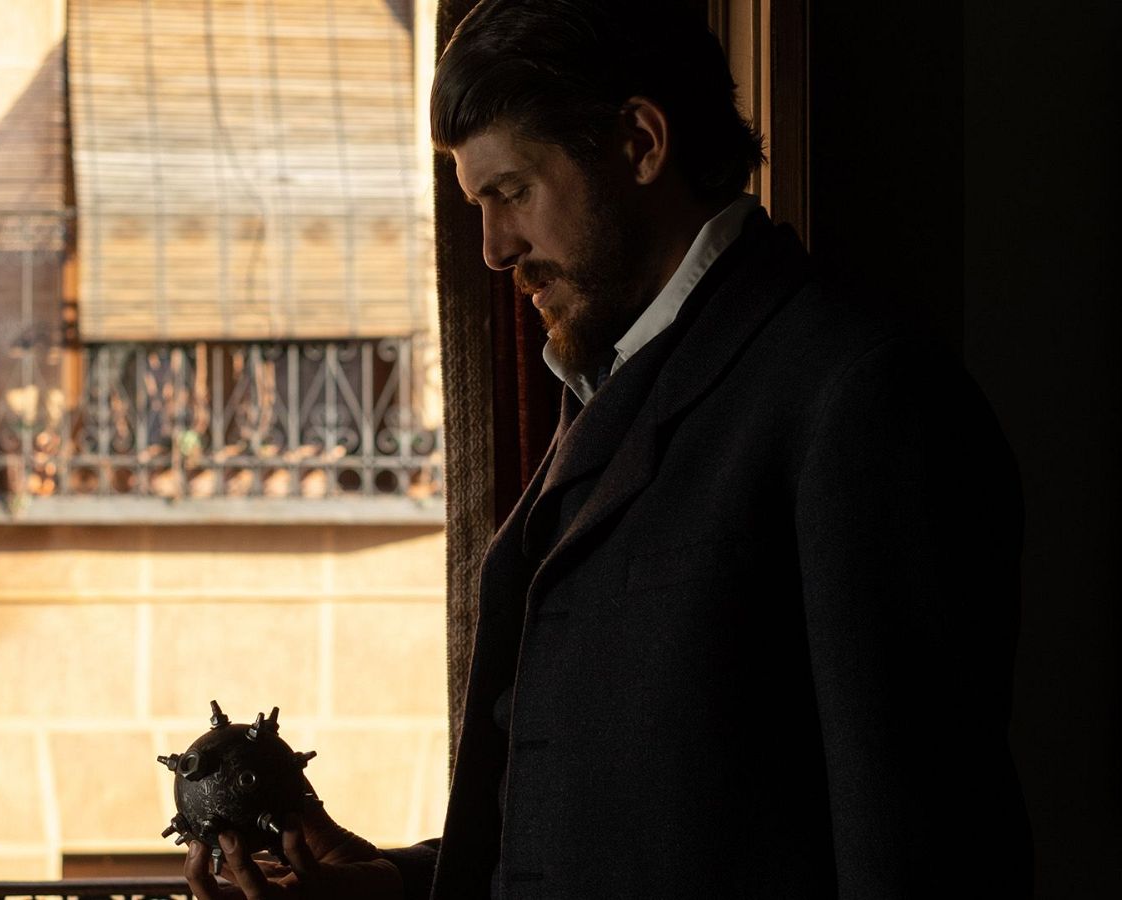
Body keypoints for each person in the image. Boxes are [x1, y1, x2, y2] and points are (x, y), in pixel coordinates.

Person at [186, 1, 1030, 896]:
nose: (493, 249)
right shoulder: (612, 383)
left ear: (638, 142)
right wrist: (396, 889)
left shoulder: (860, 397)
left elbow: (922, 855)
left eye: (511, 192)